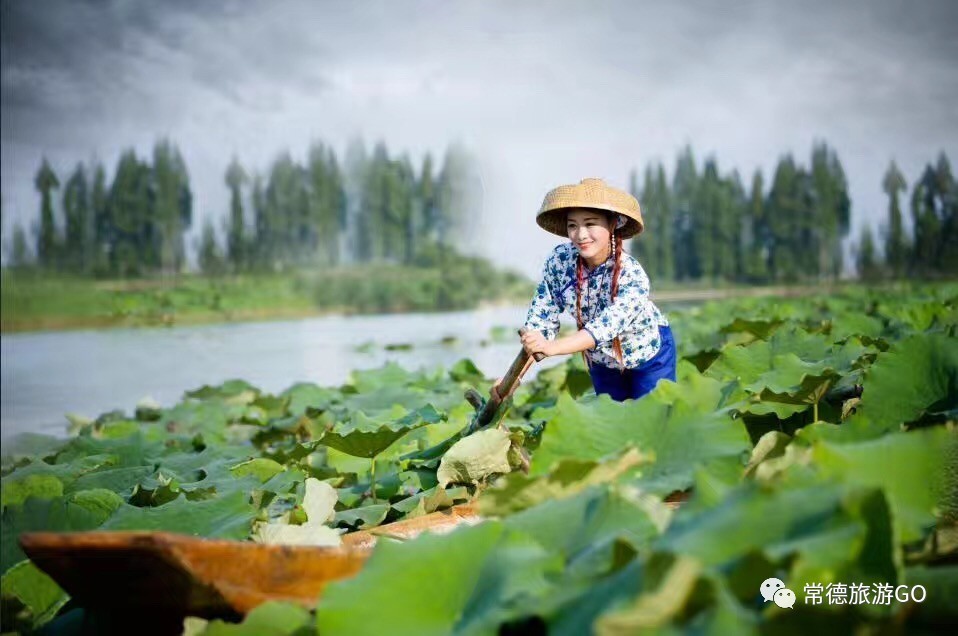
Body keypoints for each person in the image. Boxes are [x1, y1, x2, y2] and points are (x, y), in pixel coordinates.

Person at [516, 177, 676, 402]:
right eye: (573, 225)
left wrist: (553, 347)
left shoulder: (631, 275)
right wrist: (513, 381)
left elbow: (603, 329)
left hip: (648, 356)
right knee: (613, 427)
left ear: (613, 224)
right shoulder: (559, 262)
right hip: (602, 361)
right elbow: (539, 326)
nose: (580, 235)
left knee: (654, 422)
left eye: (590, 224)